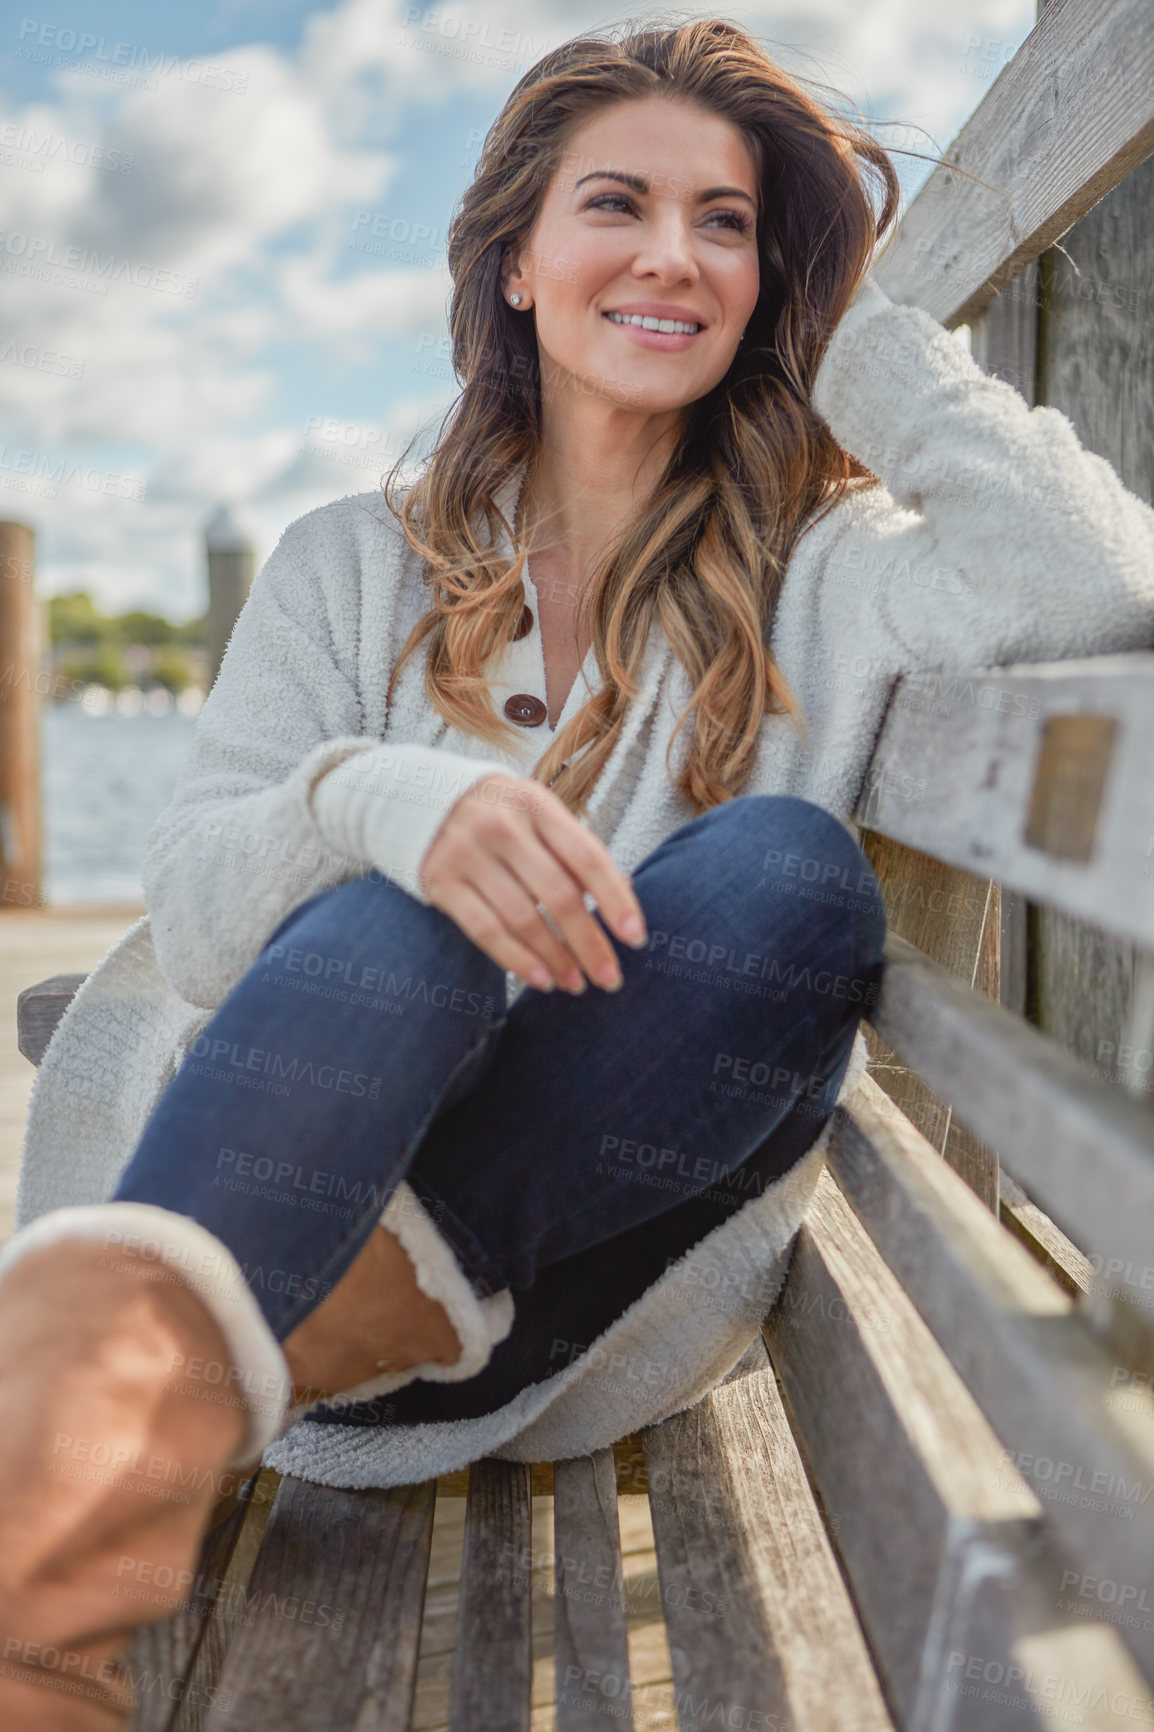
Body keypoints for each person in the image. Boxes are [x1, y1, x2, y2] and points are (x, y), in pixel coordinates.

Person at [4, 16, 1154, 1726]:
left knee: (787, 874)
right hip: (260, 1188)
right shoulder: (345, 570)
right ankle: (69, 1561)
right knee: (399, 902)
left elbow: (1095, 578)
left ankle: (134, 1424)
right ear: (517, 261)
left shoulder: (824, 579)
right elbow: (194, 909)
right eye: (615, 203)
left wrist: (862, 336)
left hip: (522, 1305)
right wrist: (382, 800)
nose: (673, 256)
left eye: (728, 223)